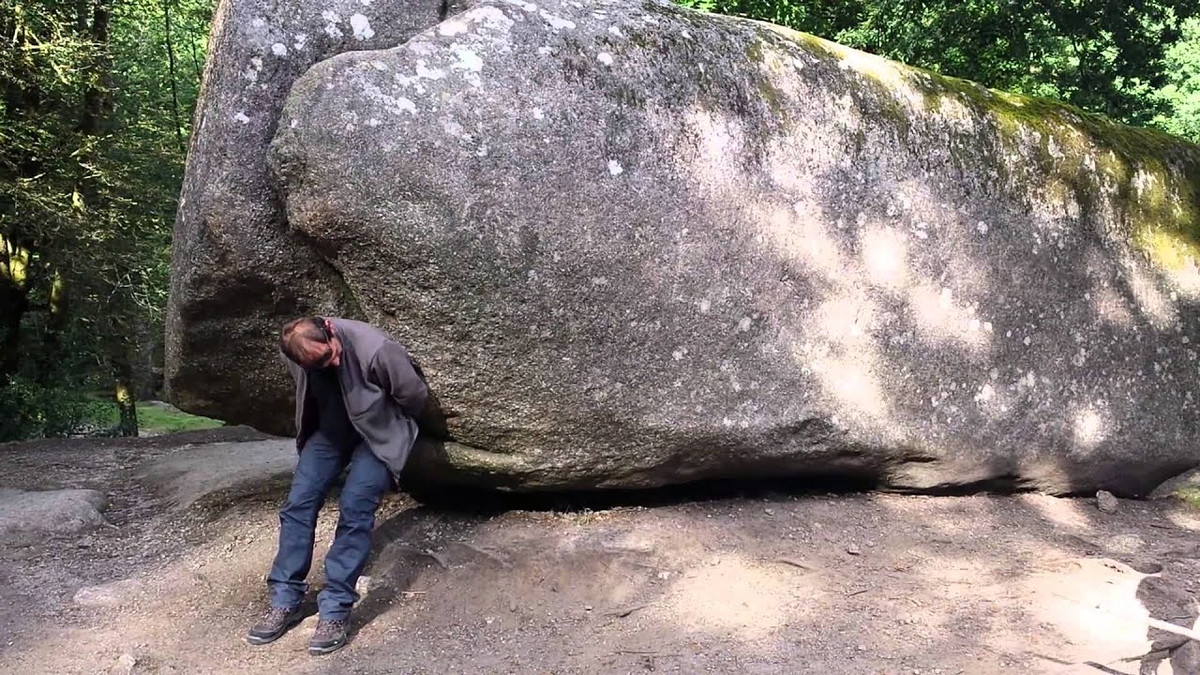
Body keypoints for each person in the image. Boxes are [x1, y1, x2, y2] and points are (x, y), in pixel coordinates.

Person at [245, 316, 429, 655]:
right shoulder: (295, 354)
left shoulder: (376, 349)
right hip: (330, 434)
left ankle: (335, 609)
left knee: (355, 508)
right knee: (298, 504)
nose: (335, 363)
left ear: (330, 329)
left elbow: (414, 396)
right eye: (322, 364)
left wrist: (388, 427)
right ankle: (286, 599)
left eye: (332, 354)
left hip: (377, 438)